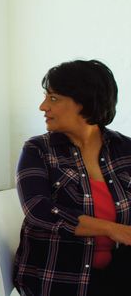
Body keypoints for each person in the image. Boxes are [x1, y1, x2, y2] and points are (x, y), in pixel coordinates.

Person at [13, 60, 131, 296]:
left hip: (119, 275)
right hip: (59, 279)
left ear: (85, 103)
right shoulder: (38, 150)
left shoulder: (125, 149)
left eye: (54, 99)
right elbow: (39, 210)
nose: (43, 106)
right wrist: (112, 229)